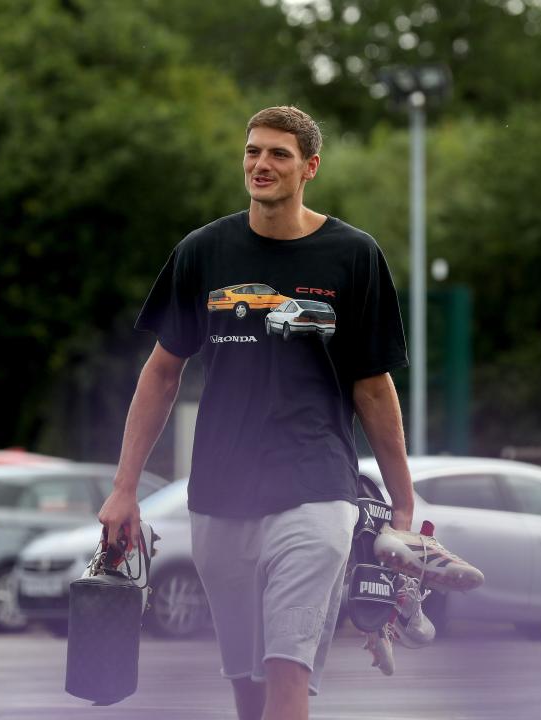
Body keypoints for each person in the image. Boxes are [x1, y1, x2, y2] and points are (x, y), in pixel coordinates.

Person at [98, 105, 414, 720]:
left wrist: (402, 502)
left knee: (286, 671)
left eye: (278, 154)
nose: (261, 164)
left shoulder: (353, 256)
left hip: (317, 488)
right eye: (253, 151)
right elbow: (163, 372)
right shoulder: (202, 253)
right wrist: (123, 489)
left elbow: (373, 388)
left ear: (309, 168)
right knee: (247, 684)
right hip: (221, 490)